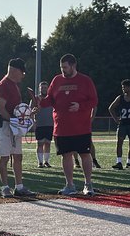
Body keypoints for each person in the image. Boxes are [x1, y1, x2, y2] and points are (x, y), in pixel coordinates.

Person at [38, 53, 98, 196]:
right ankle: (69, 185)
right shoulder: (57, 80)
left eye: (65, 67)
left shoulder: (85, 80)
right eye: (61, 68)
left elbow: (94, 101)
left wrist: (81, 106)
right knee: (66, 155)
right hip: (62, 128)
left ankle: (88, 184)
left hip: (81, 127)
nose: (63, 70)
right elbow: (50, 100)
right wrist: (38, 101)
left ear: (73, 65)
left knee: (85, 154)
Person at [0, 58, 34, 197]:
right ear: (15, 70)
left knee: (18, 155)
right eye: (22, 72)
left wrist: (25, 116)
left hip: (12, 124)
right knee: (4, 156)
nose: (23, 75)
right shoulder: (4, 85)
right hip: (4, 124)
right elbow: (1, 109)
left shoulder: (14, 85)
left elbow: (15, 109)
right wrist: (15, 122)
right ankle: (5, 187)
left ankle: (19, 186)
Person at [34, 81, 53, 168]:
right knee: (40, 143)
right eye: (42, 88)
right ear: (39, 89)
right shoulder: (35, 99)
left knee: (48, 143)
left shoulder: (51, 99)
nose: (44, 89)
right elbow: (30, 111)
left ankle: (46, 161)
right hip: (39, 124)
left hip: (50, 124)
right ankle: (40, 162)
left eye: (45, 87)